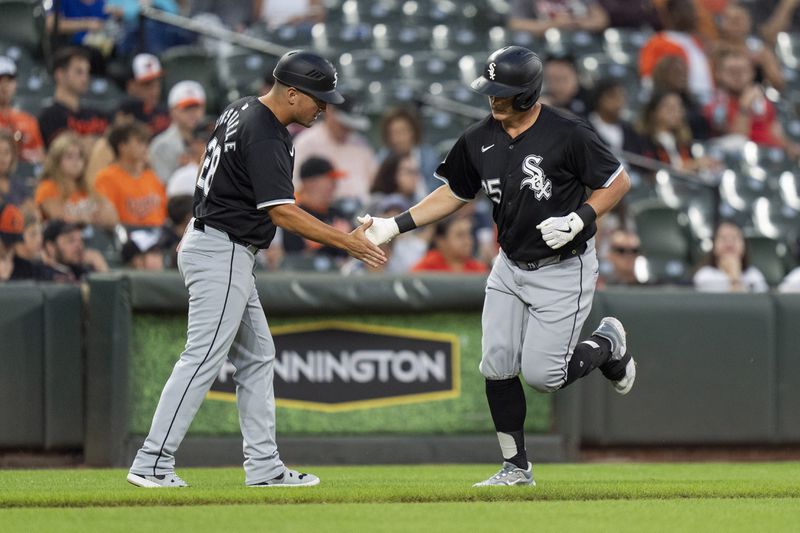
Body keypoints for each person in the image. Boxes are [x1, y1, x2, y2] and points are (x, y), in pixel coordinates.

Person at [359, 46, 635, 487]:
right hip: (509, 264)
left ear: (526, 94)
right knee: (497, 363)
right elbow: (454, 193)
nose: (492, 98)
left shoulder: (567, 131)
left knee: (545, 377)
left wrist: (580, 217)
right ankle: (515, 467)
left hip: (565, 266)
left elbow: (616, 181)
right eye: (490, 90)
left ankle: (606, 344)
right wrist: (395, 226)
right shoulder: (478, 137)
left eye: (501, 92)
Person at [127, 50, 385, 489]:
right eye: (318, 98)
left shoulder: (240, 107)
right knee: (203, 356)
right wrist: (346, 241)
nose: (323, 107)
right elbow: (282, 212)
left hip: (214, 242)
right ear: (291, 92)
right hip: (222, 249)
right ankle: (152, 461)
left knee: (258, 356)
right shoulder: (266, 131)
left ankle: (264, 468)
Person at [705, 48, 800, 155]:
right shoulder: (715, 104)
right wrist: (745, 107)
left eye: (743, 71)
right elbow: (736, 142)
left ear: (752, 73)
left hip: (769, 157)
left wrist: (790, 147)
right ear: (718, 74)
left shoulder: (762, 101)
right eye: (731, 71)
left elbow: (776, 134)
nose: (738, 76)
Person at [292, 96, 378, 203]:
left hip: (361, 209)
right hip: (319, 211)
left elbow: (374, 182)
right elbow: (295, 184)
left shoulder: (362, 145)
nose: (348, 128)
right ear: (330, 112)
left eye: (352, 125)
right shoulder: (306, 142)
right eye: (344, 123)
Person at [35, 132, 118, 229]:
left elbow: (112, 218)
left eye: (80, 156)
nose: (76, 161)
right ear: (56, 161)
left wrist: (85, 218)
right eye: (69, 156)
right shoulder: (47, 187)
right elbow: (60, 219)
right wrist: (89, 218)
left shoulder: (91, 187)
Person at [639, 0, 714, 104]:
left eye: (692, 10)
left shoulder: (697, 41)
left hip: (705, 101)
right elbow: (648, 79)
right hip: (678, 102)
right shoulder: (656, 42)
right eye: (687, 10)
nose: (693, 14)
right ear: (672, 14)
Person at [94, 121, 167, 227]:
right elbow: (108, 219)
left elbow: (163, 212)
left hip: (159, 234)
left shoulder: (150, 176)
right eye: (139, 142)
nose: (145, 147)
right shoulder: (106, 177)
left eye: (146, 142)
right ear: (122, 146)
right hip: (127, 234)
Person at [37, 47, 109, 150]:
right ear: (60, 74)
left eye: (87, 72)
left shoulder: (96, 113)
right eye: (79, 72)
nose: (85, 78)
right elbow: (64, 150)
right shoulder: (50, 115)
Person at [282, 156, 351, 260]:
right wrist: (335, 238)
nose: (334, 186)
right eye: (330, 180)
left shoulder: (338, 214)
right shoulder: (293, 214)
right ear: (310, 182)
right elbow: (292, 258)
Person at [713, 3, 785, 91]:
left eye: (739, 20)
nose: (735, 24)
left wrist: (764, 63)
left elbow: (779, 84)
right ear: (721, 22)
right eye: (730, 19)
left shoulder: (760, 50)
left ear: (749, 22)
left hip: (753, 97)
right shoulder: (714, 49)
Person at [149, 81, 207, 184]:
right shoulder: (161, 145)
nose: (193, 113)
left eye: (196, 107)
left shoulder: (215, 138)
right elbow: (164, 186)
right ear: (172, 111)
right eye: (186, 108)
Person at [378, 107, 441, 193]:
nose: (396, 139)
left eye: (401, 132)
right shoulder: (384, 156)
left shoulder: (428, 156)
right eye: (391, 133)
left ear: (413, 132)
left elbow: (436, 191)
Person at [694, 221, 768, 292]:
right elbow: (731, 304)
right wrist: (734, 276)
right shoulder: (705, 276)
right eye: (723, 238)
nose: (729, 243)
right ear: (714, 246)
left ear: (744, 246)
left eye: (734, 238)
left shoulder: (754, 276)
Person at [0, 56, 45, 164]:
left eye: (9, 80)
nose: (4, 85)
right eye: (0, 80)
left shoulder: (28, 120)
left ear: (15, 84)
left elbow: (41, 158)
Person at [587, 78, 647, 155]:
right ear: (599, 98)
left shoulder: (629, 130)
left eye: (622, 96)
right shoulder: (585, 127)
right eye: (612, 96)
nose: (619, 101)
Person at [116, 54, 171, 136]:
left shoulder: (167, 113)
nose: (154, 91)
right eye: (147, 84)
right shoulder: (121, 114)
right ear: (131, 86)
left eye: (157, 83)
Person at [411, 215, 489, 273]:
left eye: (469, 234)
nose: (468, 241)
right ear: (441, 241)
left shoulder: (478, 269)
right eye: (460, 235)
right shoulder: (426, 269)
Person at [39, 219, 108, 283]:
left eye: (80, 240)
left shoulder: (80, 270)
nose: (79, 246)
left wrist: (101, 268)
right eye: (71, 241)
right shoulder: (43, 274)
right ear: (50, 247)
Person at [508, 0, 610, 36]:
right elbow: (515, 24)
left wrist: (577, 22)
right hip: (544, 48)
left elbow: (602, 20)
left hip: (580, 43)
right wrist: (554, 24)